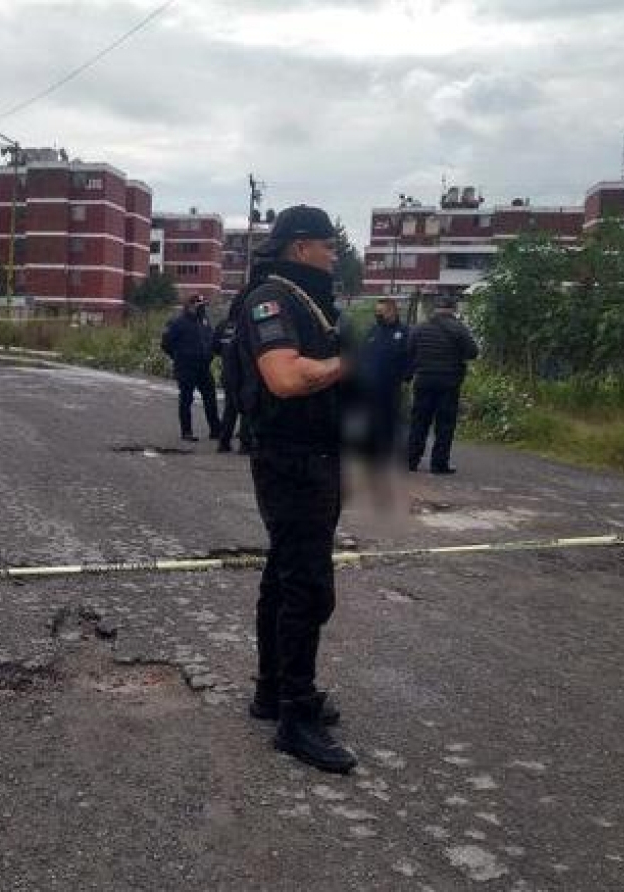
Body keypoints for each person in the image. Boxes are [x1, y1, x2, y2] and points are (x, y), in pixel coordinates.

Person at [236, 204, 356, 774]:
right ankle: (295, 718)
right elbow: (285, 378)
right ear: (301, 247)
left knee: (283, 579)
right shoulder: (271, 299)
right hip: (291, 462)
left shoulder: (301, 299)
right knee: (306, 588)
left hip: (313, 457)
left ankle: (271, 692)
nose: (335, 254)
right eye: (328, 245)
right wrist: (348, 364)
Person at [406, 294, 479, 474]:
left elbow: (409, 350)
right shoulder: (459, 329)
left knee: (419, 421)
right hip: (449, 382)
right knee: (445, 424)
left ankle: (410, 460)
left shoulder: (420, 328)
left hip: (424, 379)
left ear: (436, 309)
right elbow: (472, 352)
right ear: (452, 309)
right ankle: (439, 464)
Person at [160, 294, 220, 442]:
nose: (202, 308)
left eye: (203, 306)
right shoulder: (178, 323)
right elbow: (166, 344)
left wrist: (210, 354)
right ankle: (187, 432)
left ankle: (216, 430)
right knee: (186, 399)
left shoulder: (204, 322)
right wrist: (178, 356)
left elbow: (211, 340)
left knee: (210, 398)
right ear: (191, 306)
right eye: (199, 306)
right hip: (186, 367)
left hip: (203, 366)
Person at [358, 297, 409, 466]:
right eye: (376, 312)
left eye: (381, 312)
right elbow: (363, 355)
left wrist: (406, 377)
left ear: (392, 312)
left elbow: (410, 358)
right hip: (371, 384)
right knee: (371, 420)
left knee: (391, 420)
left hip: (392, 385)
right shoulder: (373, 331)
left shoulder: (403, 333)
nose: (378, 315)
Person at [212, 298, 251, 453]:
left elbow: (214, 347)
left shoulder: (223, 325)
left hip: (228, 372)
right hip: (245, 373)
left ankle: (224, 442)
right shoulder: (246, 325)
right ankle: (245, 444)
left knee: (230, 408)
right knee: (247, 408)